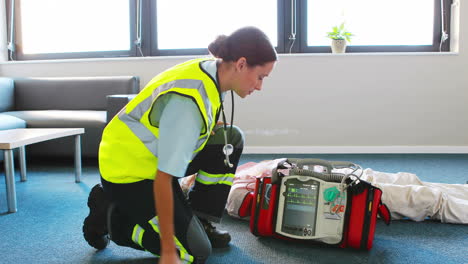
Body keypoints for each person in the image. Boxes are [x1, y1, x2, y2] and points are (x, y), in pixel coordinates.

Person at [82, 26, 277, 264]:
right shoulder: (188, 105)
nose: (260, 86)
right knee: (195, 253)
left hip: (153, 156)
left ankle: (199, 218)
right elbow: (163, 179)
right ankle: (114, 221)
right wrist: (166, 249)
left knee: (229, 139)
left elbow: (205, 111)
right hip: (131, 171)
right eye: (260, 77)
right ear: (241, 64)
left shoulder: (217, 70)